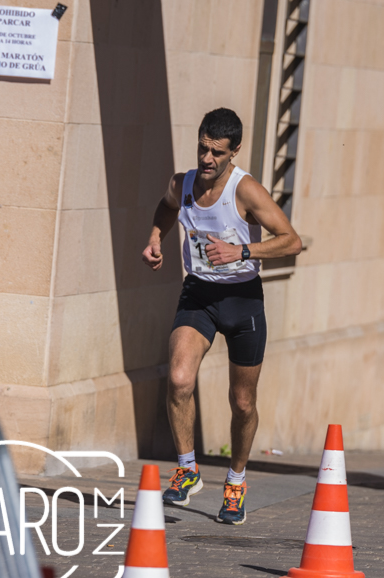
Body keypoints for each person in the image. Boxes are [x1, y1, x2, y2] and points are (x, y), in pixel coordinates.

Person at [142, 108, 302, 525]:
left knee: (242, 401)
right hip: (198, 293)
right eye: (202, 148)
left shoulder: (245, 190)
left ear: (235, 152)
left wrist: (243, 250)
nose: (207, 159)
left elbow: (292, 241)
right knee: (179, 378)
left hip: (243, 300)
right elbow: (165, 206)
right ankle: (188, 469)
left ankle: (235, 482)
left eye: (217, 153)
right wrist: (156, 237)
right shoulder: (184, 183)